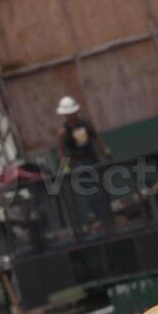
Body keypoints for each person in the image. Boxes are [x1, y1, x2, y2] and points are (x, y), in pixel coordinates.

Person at [55, 96, 111, 232]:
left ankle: (106, 216)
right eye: (68, 114)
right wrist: (66, 166)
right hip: (77, 163)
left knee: (100, 188)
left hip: (92, 159)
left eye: (72, 113)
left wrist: (105, 151)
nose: (71, 116)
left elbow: (96, 137)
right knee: (88, 191)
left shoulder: (85, 124)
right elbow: (61, 151)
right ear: (64, 115)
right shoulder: (63, 132)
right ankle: (96, 218)